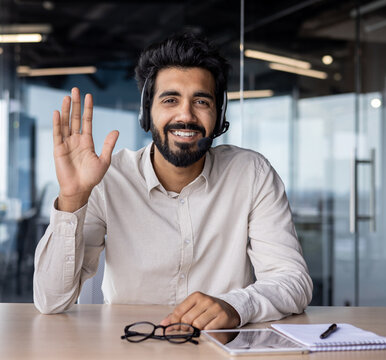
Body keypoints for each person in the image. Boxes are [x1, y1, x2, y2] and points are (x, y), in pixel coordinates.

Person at [33, 33, 312, 330]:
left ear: (219, 116)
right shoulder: (109, 178)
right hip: (131, 345)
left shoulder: (251, 173)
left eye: (201, 101)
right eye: (170, 100)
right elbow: (51, 300)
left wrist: (236, 305)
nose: (186, 115)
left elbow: (292, 280)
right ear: (146, 112)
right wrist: (73, 198)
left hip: (218, 346)